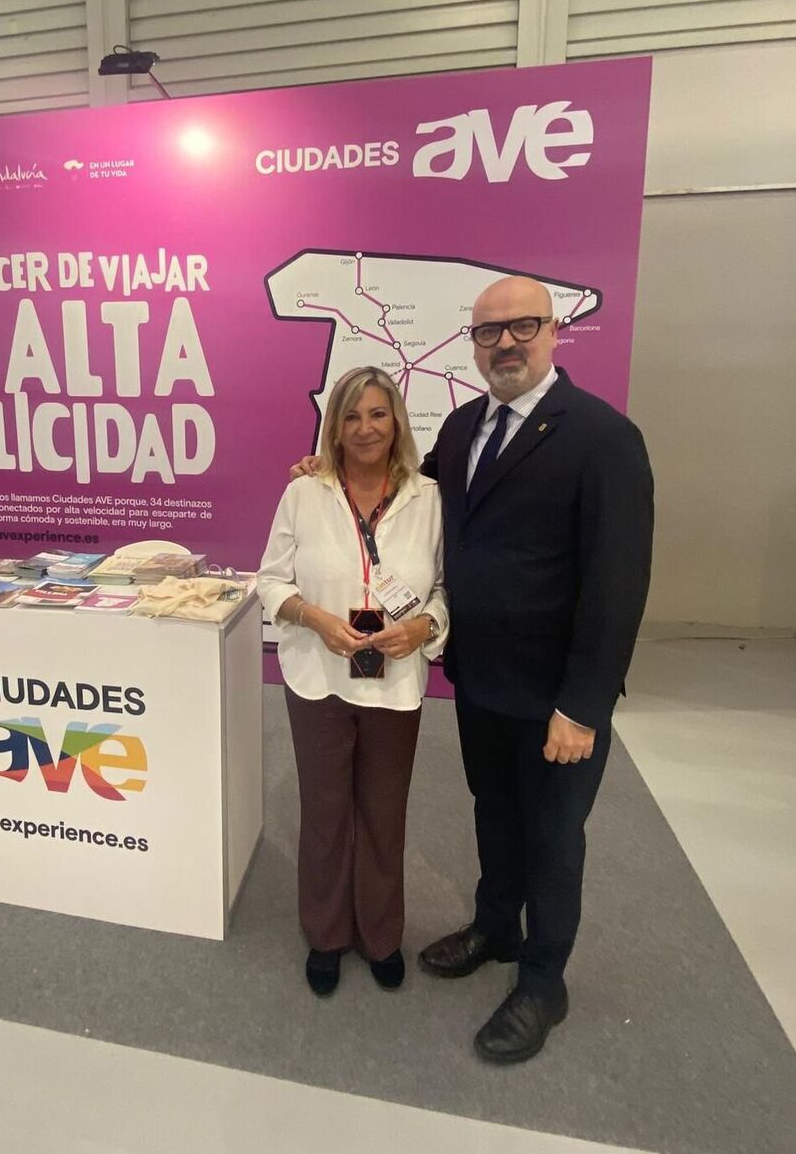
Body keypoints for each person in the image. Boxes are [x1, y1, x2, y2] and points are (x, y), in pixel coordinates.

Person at [291, 275, 653, 1061]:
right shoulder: (461, 429)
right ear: (474, 345)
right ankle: (495, 927)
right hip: (482, 678)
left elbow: (619, 585)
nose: (506, 344)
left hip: (557, 694)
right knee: (495, 810)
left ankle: (544, 982)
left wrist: (584, 704)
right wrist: (316, 482)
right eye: (489, 333)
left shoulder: (603, 438)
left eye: (523, 327)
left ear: (554, 333)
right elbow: (404, 501)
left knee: (555, 835)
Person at [258, 366, 449, 997]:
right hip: (317, 678)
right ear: (333, 426)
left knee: (383, 812)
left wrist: (424, 626)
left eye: (378, 414)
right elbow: (271, 581)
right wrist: (313, 617)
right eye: (351, 416)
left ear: (397, 421)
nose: (365, 428)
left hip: (394, 683)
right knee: (325, 810)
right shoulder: (304, 494)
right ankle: (326, 934)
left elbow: (447, 590)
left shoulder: (430, 498)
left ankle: (380, 935)